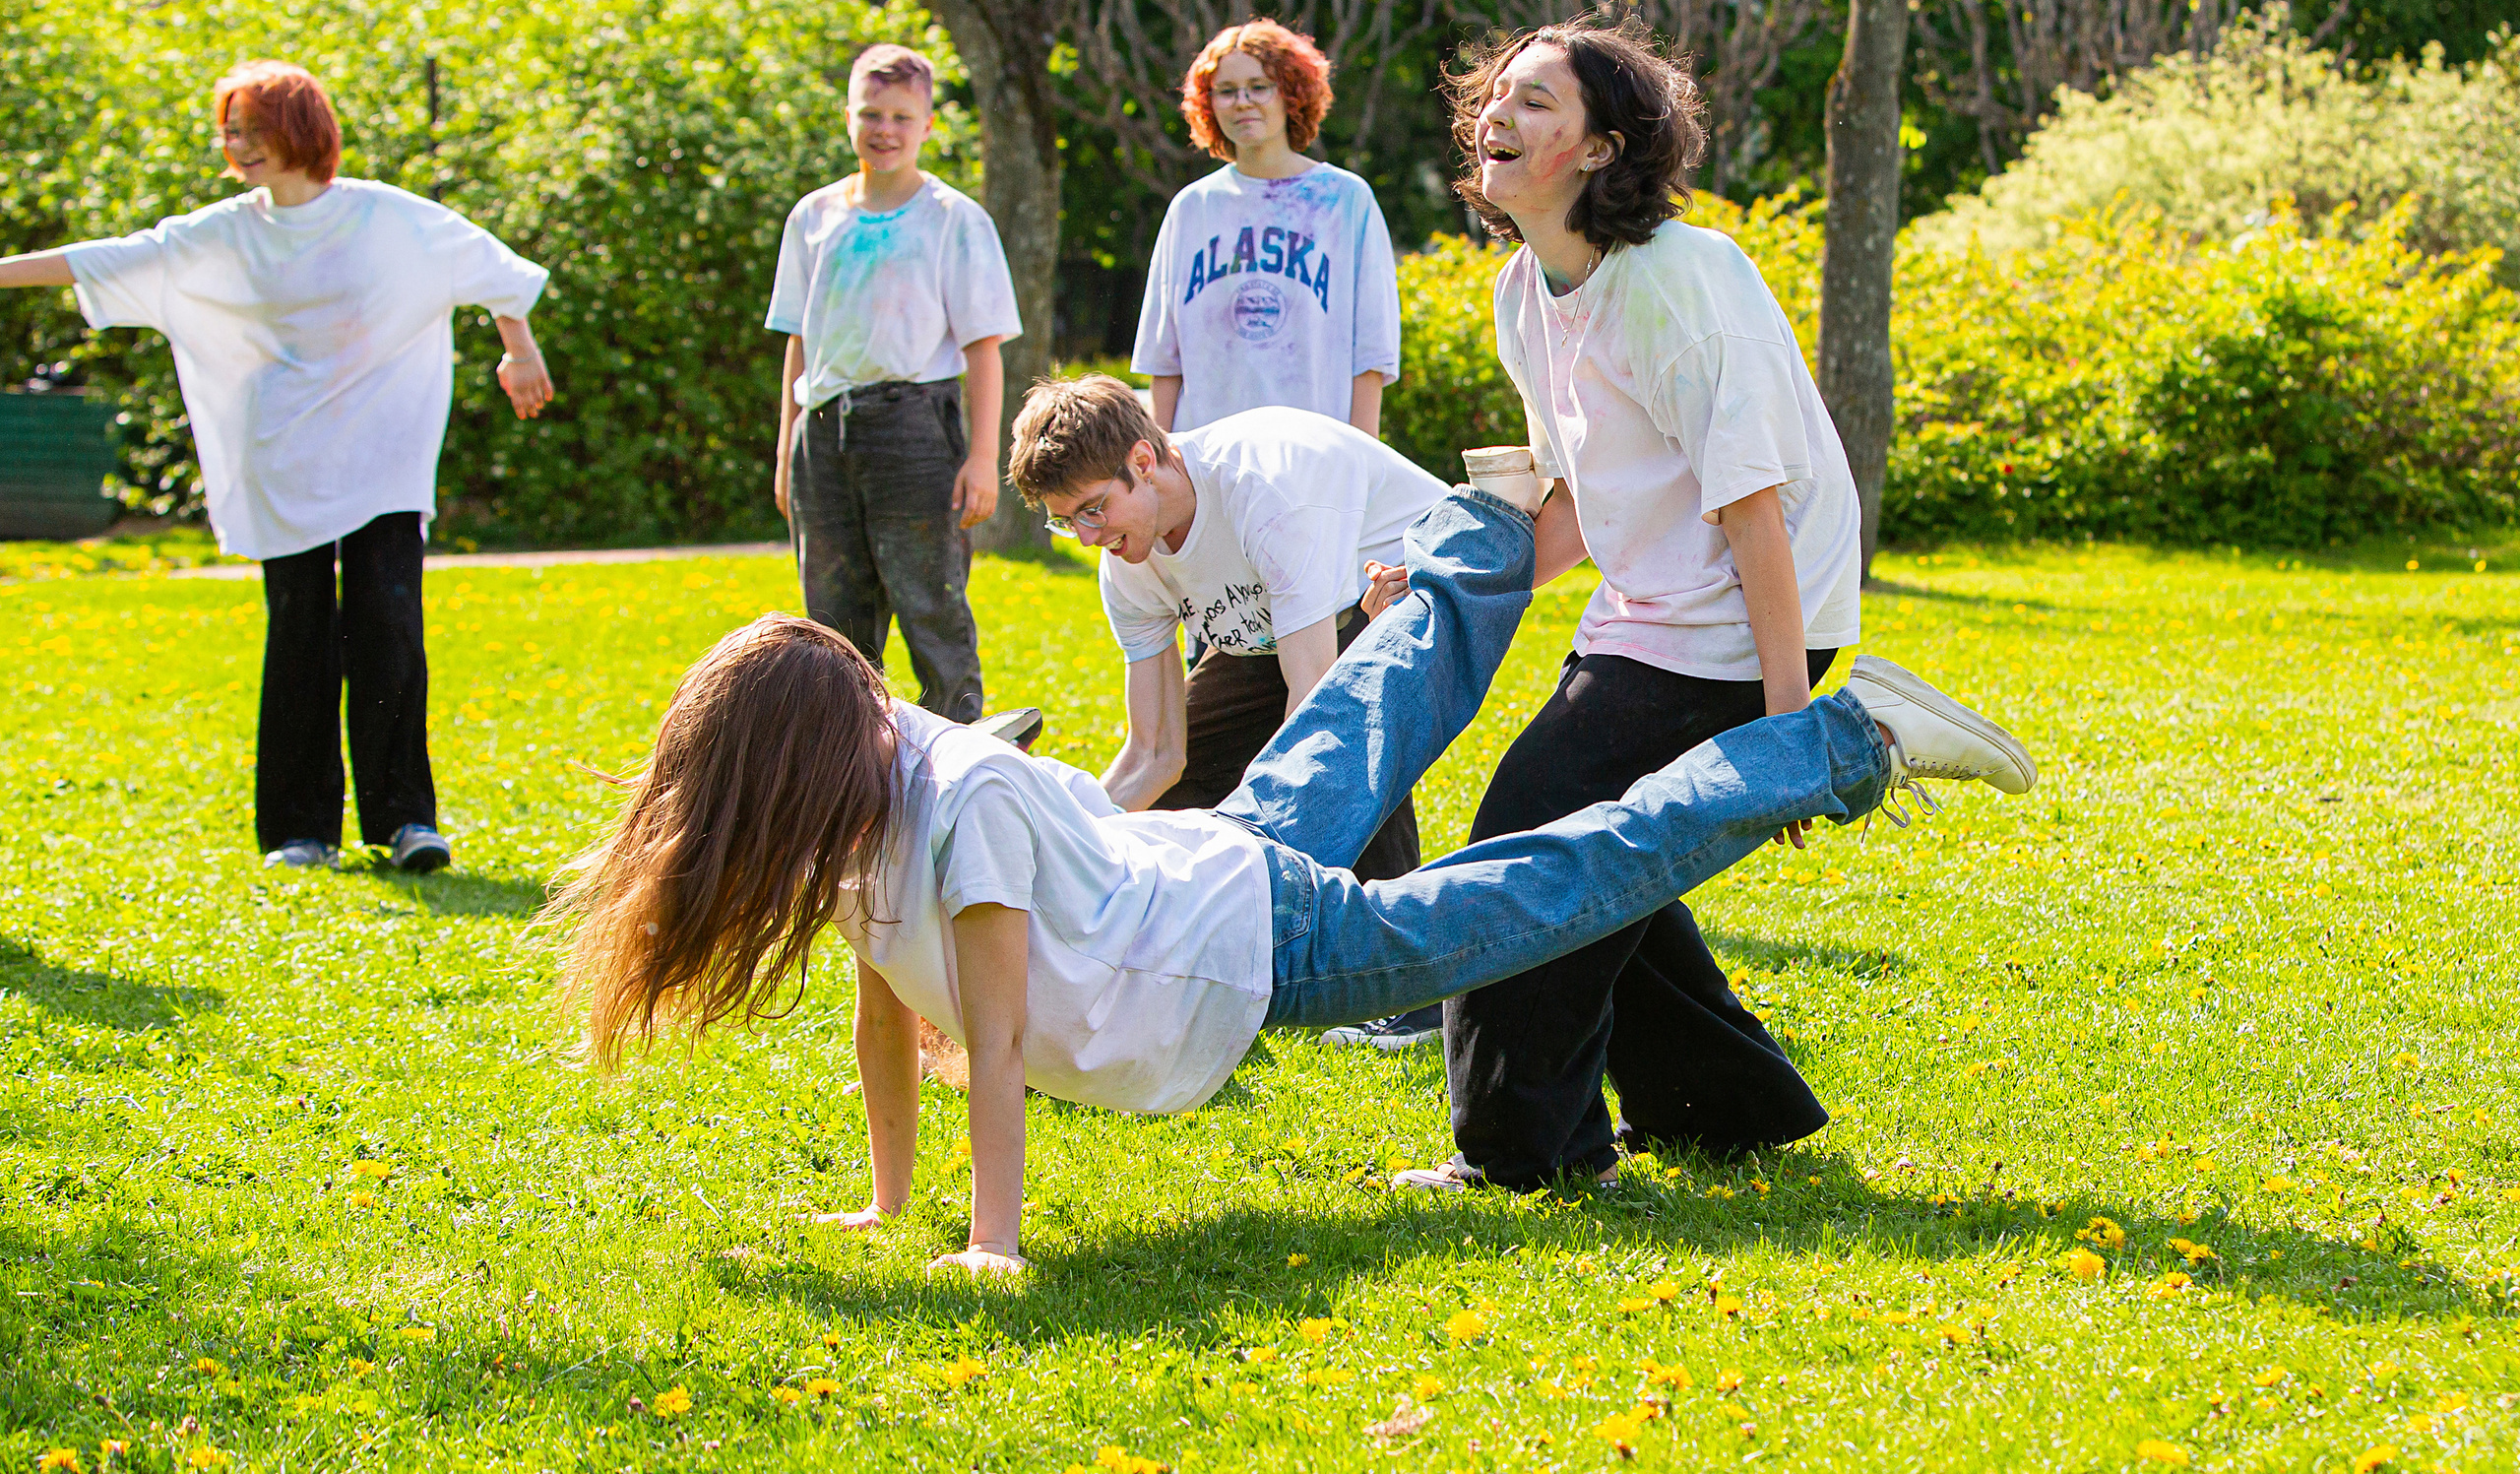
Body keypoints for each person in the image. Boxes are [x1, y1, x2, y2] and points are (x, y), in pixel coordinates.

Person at [549, 486, 2035, 1278]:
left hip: (1258, 937)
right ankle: (1485, 524)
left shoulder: (961, 806)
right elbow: (892, 1017)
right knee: (1362, 715)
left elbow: (989, 1043)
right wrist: (887, 1209)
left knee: (1573, 872)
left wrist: (992, 1241)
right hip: (1199, 880)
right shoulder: (855, 823)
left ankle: (1853, 736)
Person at [1392, 12, 1872, 1195]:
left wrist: (1782, 730)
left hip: (1745, 616)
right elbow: (1583, 495)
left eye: (1537, 102)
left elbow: (1749, 503)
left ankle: (1526, 1155)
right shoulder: (1525, 290)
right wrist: (1454, 580)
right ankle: (1728, 1112)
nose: (1498, 113)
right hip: (1648, 609)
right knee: (1613, 859)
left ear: (1602, 148)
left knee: (1520, 852)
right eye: (1497, 96)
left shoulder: (1674, 283)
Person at [0, 59, 553, 873]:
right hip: (283, 461)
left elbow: (494, 272)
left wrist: (521, 354)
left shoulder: (387, 218)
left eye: (253, 130)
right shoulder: (227, 229)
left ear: (302, 133)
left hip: (384, 457)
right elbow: (112, 258)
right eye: (230, 131)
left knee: (388, 621)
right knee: (298, 630)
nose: (238, 145)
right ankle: (299, 830)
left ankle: (406, 821)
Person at [1006, 374, 1451, 1051]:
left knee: (1351, 730)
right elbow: (1156, 753)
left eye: (1095, 509)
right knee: (1179, 793)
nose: (1089, 536)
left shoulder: (1263, 489)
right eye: (1068, 521)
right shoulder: (1128, 560)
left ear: (1143, 460)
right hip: (1284, 629)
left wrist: (1247, 886)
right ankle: (1166, 962)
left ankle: (1411, 991)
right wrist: (1064, 844)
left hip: (1420, 583)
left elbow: (1316, 718)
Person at [768, 42, 1021, 725]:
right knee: (830, 617)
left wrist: (981, 458)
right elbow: (799, 338)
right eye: (871, 114)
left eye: (901, 117)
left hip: (915, 428)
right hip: (823, 431)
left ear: (928, 125)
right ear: (848, 116)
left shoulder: (951, 218)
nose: (884, 130)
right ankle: (845, 756)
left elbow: (983, 348)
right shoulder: (814, 217)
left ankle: (960, 746)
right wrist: (787, 448)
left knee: (928, 598)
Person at [1131, 20, 1400, 438]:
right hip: (1206, 460)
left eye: (1259, 86)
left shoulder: (1345, 201)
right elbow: (1164, 360)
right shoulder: (1192, 209)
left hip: (1312, 455)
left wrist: (1359, 461)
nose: (1242, 102)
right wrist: (1160, 465)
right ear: (1208, 105)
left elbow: (1371, 355)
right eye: (1226, 91)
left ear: (1292, 93)